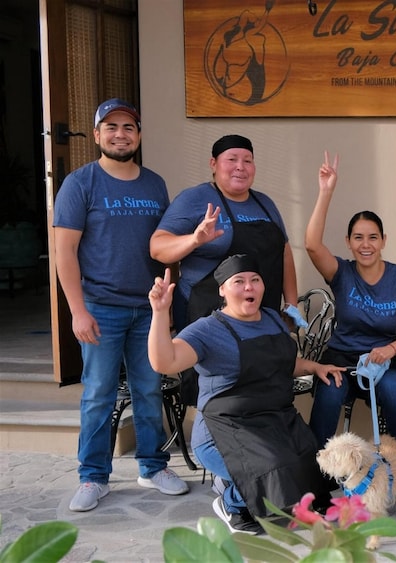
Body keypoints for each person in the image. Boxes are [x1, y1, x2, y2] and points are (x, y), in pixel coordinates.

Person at [53, 98, 189, 512]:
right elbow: (64, 252)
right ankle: (93, 476)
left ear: (139, 135)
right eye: (111, 127)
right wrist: (77, 310)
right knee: (99, 393)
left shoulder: (154, 184)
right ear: (97, 135)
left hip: (149, 308)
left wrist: (167, 304)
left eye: (128, 127)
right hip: (101, 308)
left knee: (149, 388)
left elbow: (165, 245)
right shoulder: (80, 183)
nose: (120, 134)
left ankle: (152, 466)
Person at [147, 254, 343, 535]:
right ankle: (232, 502)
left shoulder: (273, 319)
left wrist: (315, 367)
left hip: (273, 421)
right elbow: (164, 362)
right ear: (222, 290)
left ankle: (238, 485)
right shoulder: (208, 330)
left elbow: (282, 363)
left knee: (310, 462)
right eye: (238, 281)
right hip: (225, 430)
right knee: (274, 469)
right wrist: (159, 312)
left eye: (255, 280)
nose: (249, 286)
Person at [305, 152, 396, 459]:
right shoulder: (341, 272)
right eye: (358, 238)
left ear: (383, 240)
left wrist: (391, 348)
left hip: (382, 361)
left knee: (395, 392)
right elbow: (311, 244)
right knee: (329, 396)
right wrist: (325, 192)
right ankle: (314, 468)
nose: (366, 245)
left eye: (373, 237)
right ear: (348, 242)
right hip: (341, 358)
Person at [150, 134, 298, 331]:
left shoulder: (265, 203)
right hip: (205, 315)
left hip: (263, 315)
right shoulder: (194, 199)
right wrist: (194, 240)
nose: (240, 167)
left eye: (248, 161)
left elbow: (284, 253)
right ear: (213, 164)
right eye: (232, 159)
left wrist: (291, 305)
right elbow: (157, 247)